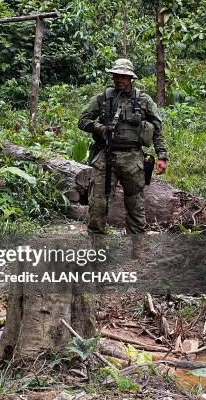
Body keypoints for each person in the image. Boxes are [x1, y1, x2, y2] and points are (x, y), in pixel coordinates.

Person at [78, 58, 168, 259]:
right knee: (98, 203)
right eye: (116, 75)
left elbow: (157, 129)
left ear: (131, 78)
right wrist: (99, 128)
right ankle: (96, 248)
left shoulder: (143, 100)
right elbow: (82, 120)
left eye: (123, 76)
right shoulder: (103, 98)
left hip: (133, 158)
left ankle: (137, 248)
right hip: (105, 156)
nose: (120, 79)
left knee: (135, 203)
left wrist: (162, 155)